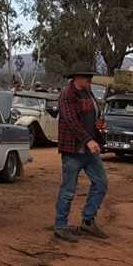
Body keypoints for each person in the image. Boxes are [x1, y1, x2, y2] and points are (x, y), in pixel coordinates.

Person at [53, 64, 109, 243]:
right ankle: (61, 226)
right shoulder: (67, 95)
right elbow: (71, 122)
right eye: (87, 78)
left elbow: (89, 117)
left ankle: (88, 220)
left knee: (101, 183)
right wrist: (89, 140)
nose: (90, 81)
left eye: (90, 78)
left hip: (88, 149)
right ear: (77, 78)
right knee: (68, 190)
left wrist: (97, 127)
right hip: (73, 150)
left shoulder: (88, 93)